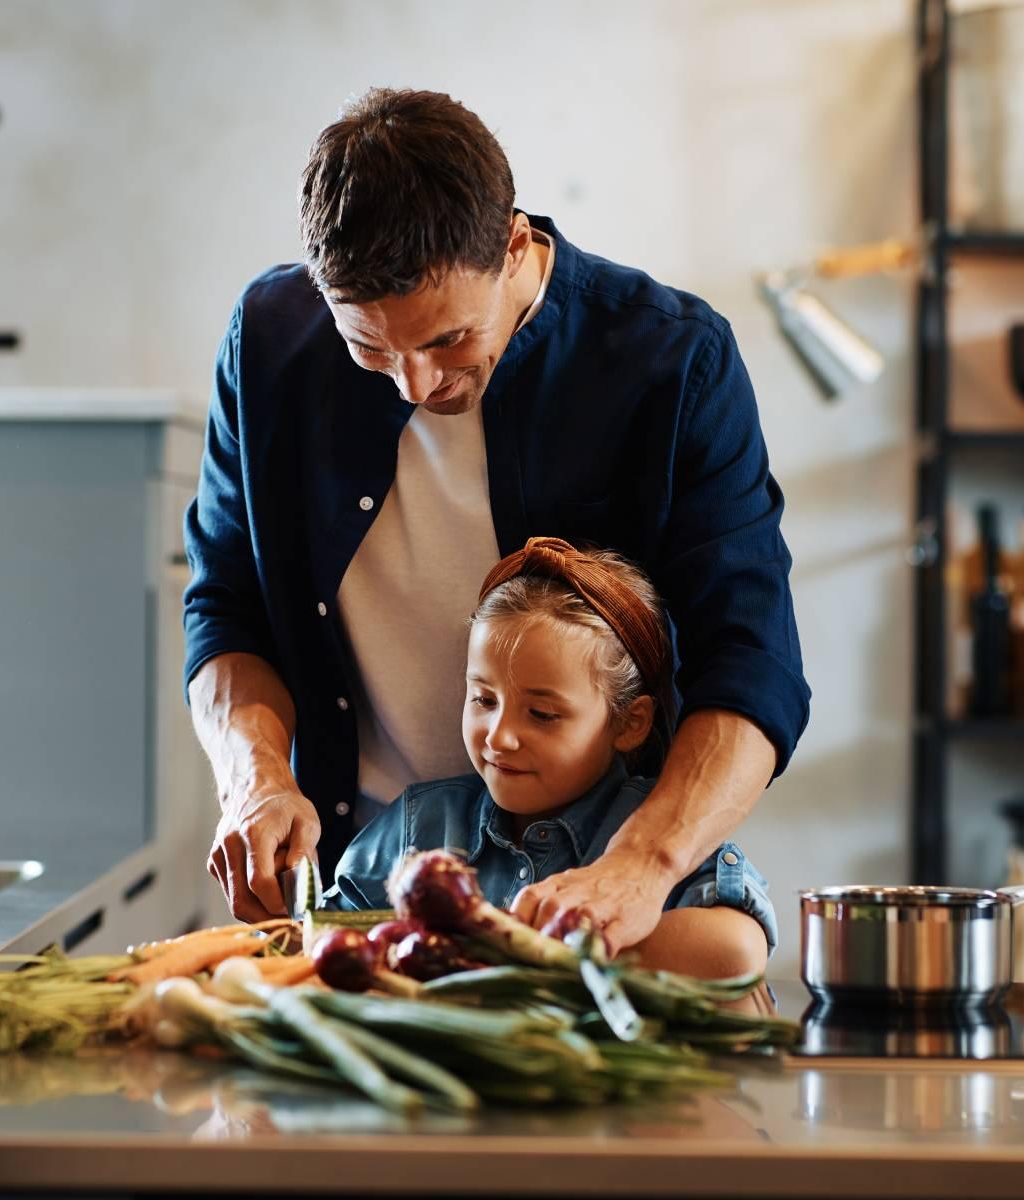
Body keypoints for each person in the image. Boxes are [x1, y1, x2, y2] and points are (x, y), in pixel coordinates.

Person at [183, 88, 810, 953]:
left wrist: (645, 865)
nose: (413, 384)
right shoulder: (267, 343)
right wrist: (252, 777)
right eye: (369, 349)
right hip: (367, 898)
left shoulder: (672, 362)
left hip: (596, 901)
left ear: (514, 245)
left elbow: (752, 666)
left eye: (446, 341)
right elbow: (226, 606)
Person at [325, 537, 776, 977]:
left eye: (541, 714)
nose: (499, 738)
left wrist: (524, 956)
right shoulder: (418, 824)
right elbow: (320, 936)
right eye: (483, 700)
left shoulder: (659, 824)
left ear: (630, 722)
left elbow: (736, 950)